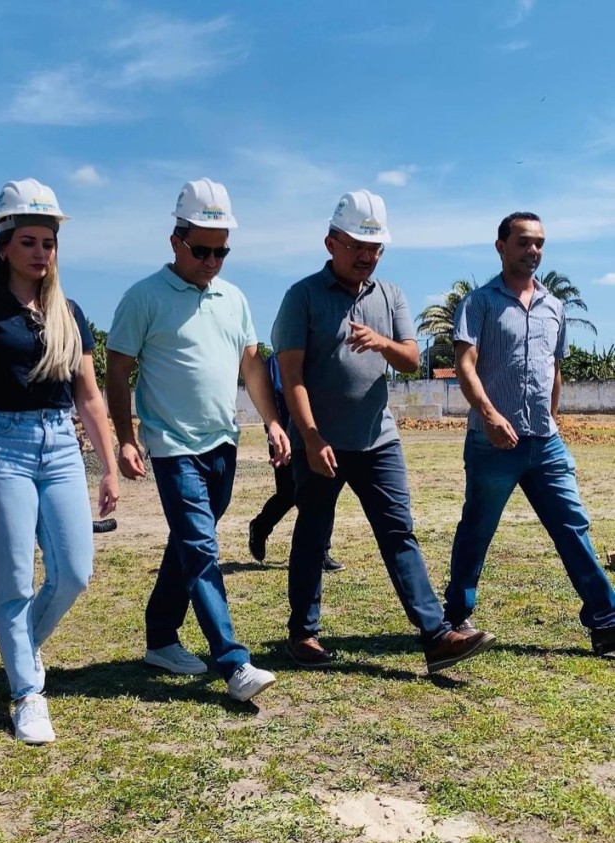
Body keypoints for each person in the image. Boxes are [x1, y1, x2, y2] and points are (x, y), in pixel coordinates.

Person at [271, 189, 496, 673]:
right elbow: (291, 377)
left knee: (399, 534)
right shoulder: (302, 297)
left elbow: (413, 361)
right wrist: (310, 437)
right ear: (331, 242)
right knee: (313, 533)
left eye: (375, 249)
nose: (367, 257)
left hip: (379, 441)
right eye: (358, 246)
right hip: (322, 444)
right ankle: (303, 634)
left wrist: (381, 342)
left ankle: (436, 636)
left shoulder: (390, 295)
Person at [0, 178, 118, 744]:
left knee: (73, 573)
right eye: (29, 242)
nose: (41, 252)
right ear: (4, 246)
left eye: (49, 242)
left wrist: (110, 466)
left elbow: (89, 396)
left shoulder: (69, 312)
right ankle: (26, 694)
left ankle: (22, 651)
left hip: (61, 445)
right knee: (14, 581)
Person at [106, 178, 290, 702]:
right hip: (172, 445)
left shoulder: (234, 299)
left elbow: (252, 368)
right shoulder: (143, 297)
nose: (212, 261)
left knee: (189, 542)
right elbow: (117, 371)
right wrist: (125, 437)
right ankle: (233, 663)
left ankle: (161, 637)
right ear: (175, 241)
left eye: (221, 251)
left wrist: (272, 422)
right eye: (202, 249)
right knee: (202, 546)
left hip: (223, 444)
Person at [443, 211, 615, 657]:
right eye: (523, 242)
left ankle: (606, 620)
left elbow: (554, 370)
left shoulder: (554, 307)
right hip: (492, 441)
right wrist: (489, 414)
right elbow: (465, 364)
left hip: (545, 441)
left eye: (539, 243)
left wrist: (553, 419)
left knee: (573, 526)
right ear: (501, 246)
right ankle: (456, 618)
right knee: (478, 529)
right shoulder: (479, 303)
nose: (533, 250)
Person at [248, 353, 344, 572]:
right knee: (288, 494)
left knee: (323, 491)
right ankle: (260, 528)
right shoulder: (276, 362)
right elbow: (278, 399)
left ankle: (321, 552)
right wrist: (281, 434)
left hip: (316, 436)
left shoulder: (316, 358)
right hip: (286, 439)